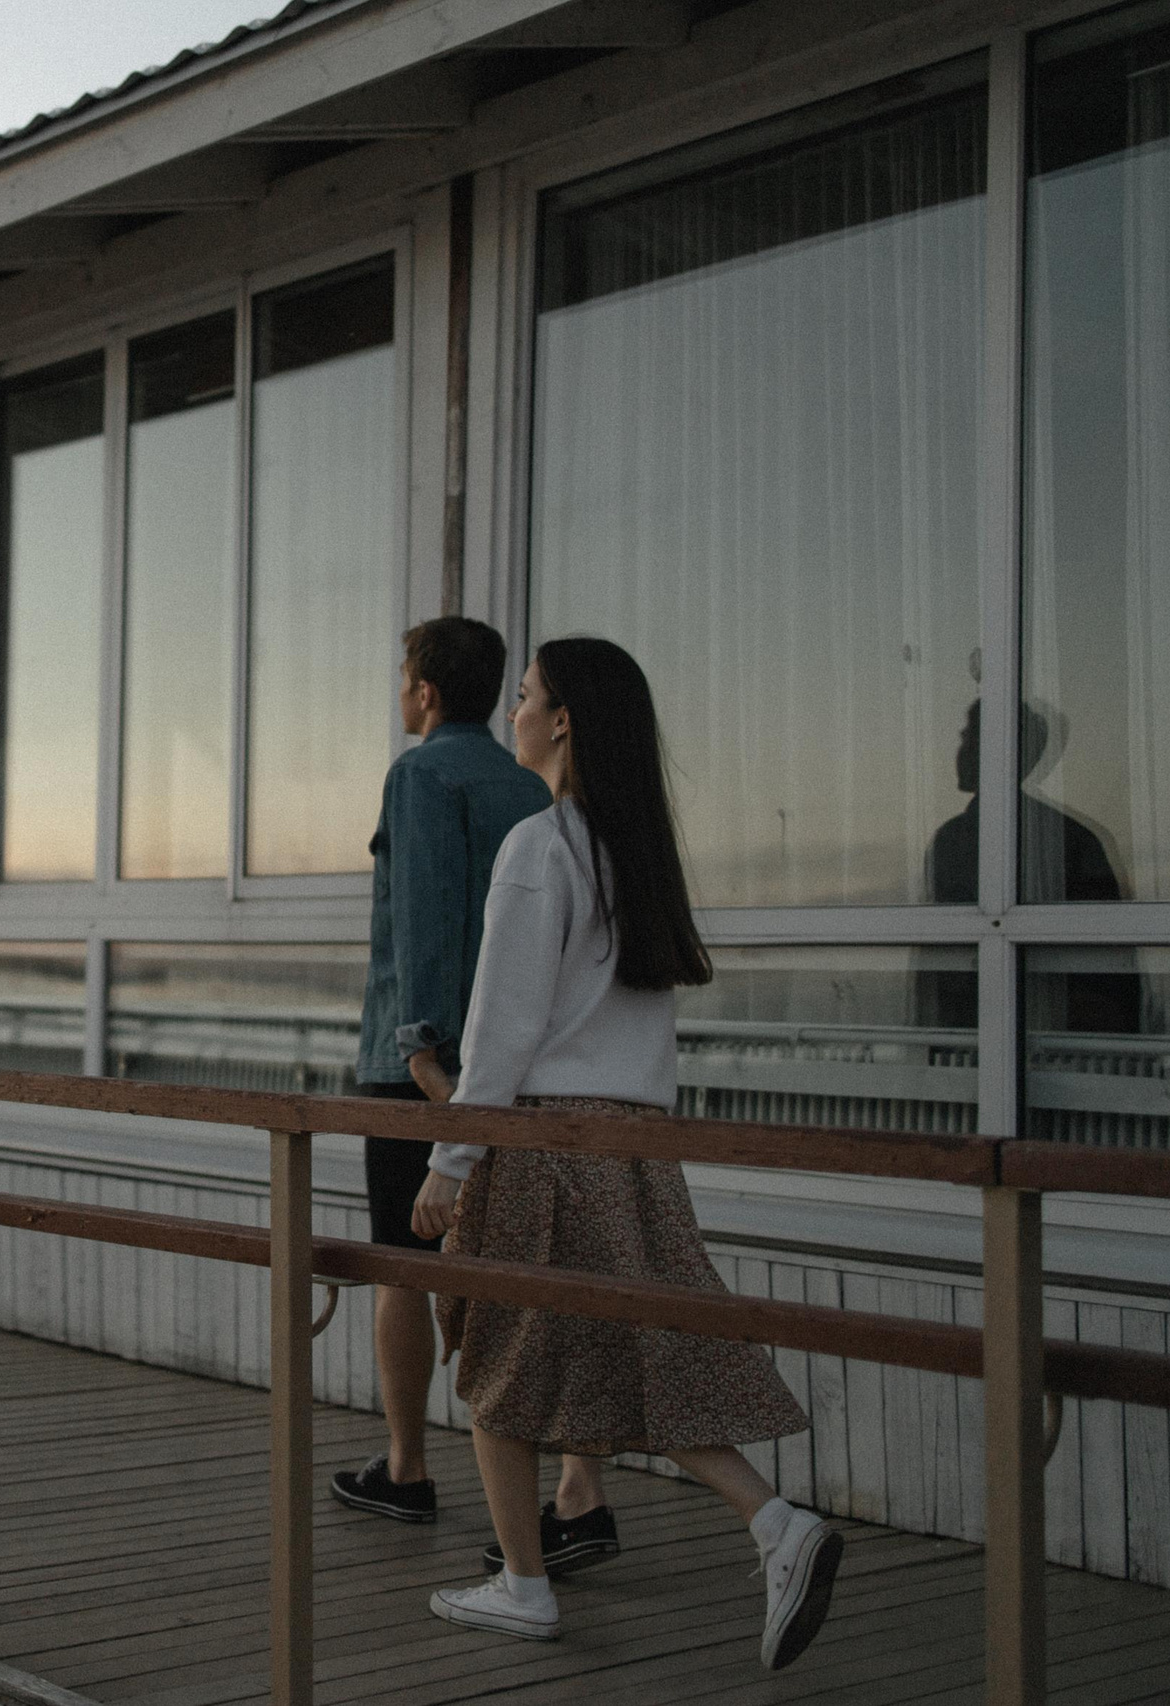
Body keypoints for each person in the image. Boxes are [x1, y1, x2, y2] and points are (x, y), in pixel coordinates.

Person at [408, 636, 841, 1672]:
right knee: (637, 1350)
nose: (513, 713)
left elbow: (501, 1030)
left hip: (546, 1146)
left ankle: (524, 1583)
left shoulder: (539, 846)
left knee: (498, 1362)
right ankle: (771, 1523)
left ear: (561, 721)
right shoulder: (632, 851)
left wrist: (451, 1160)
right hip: (633, 1147)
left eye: (525, 698)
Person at [327, 617, 565, 1528]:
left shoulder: (420, 774)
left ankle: (407, 1467)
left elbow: (422, 917)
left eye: (402, 680)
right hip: (515, 1065)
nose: (399, 694)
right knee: (506, 1273)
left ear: (425, 693)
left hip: (421, 1070)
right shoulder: (527, 783)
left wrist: (421, 1053)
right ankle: (548, 1491)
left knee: (404, 1265)